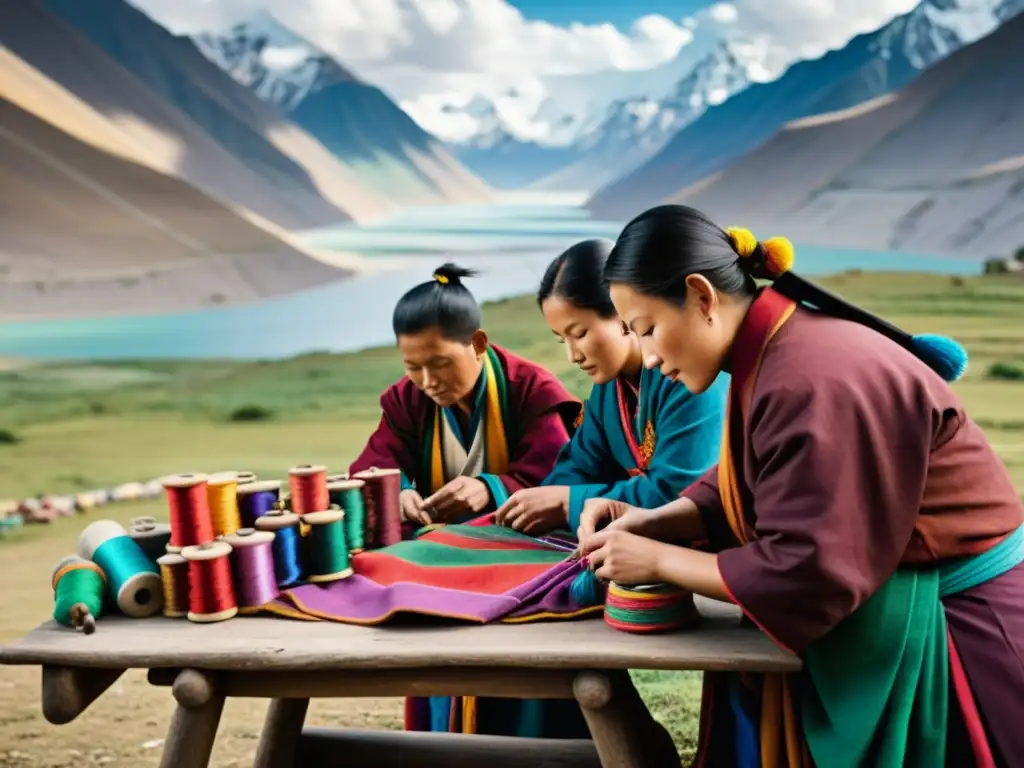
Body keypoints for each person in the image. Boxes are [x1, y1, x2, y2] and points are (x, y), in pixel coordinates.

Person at [577, 205, 1024, 767]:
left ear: (701, 296)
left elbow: (809, 571)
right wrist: (668, 517)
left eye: (646, 329)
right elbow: (771, 473)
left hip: (958, 637)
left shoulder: (809, 375)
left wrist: (660, 561)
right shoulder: (779, 348)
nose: (647, 356)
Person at [348, 262, 584, 739]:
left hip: (526, 558)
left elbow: (562, 476)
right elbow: (373, 467)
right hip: (446, 565)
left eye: (439, 363)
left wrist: (492, 488)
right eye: (413, 367)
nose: (428, 381)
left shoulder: (530, 390)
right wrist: (398, 493)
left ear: (478, 344)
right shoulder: (405, 400)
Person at [495, 239, 727, 536]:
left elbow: (679, 493)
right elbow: (579, 464)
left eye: (579, 333)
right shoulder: (609, 390)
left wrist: (570, 503)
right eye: (560, 339)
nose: (573, 355)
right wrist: (548, 498)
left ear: (621, 313)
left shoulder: (688, 373)